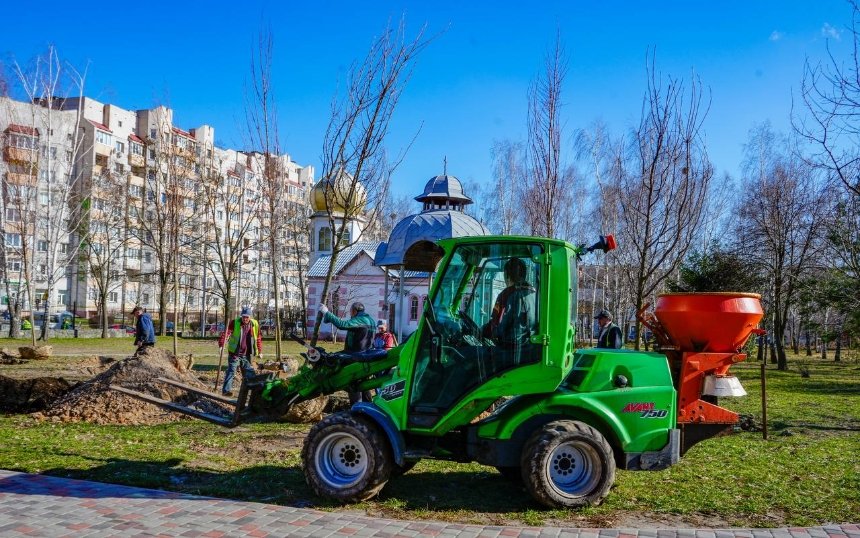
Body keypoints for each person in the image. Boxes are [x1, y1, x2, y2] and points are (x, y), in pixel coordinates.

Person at [318, 301, 375, 403]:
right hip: (366, 355)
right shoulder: (370, 320)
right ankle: (368, 408)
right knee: (364, 384)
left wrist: (326, 312)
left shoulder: (361, 320)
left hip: (355, 356)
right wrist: (328, 318)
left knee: (352, 382)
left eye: (350, 311)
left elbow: (342, 324)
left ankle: (355, 409)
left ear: (354, 311)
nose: (350, 314)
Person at [484, 258, 536, 347]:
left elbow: (495, 325)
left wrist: (480, 331)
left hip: (509, 349)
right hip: (529, 346)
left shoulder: (506, 294)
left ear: (507, 276)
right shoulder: (534, 294)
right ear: (524, 275)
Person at [218, 306, 262, 397]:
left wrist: (259, 351)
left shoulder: (255, 324)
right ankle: (226, 391)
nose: (245, 319)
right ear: (241, 316)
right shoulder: (235, 323)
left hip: (246, 354)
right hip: (235, 353)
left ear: (250, 317)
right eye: (243, 316)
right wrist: (222, 345)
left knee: (249, 373)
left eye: (247, 317)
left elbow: (258, 338)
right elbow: (226, 333)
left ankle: (253, 393)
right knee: (231, 371)